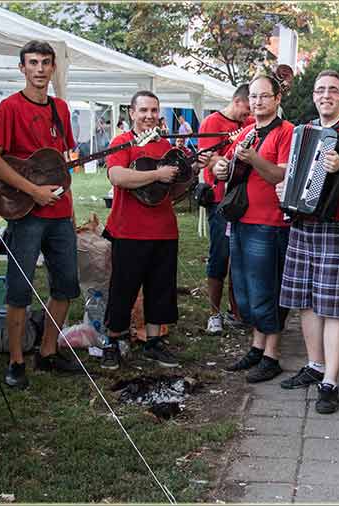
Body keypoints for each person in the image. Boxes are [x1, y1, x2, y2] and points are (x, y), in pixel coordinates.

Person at [0, 40, 82, 388]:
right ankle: (16, 361)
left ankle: (48, 352)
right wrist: (32, 191)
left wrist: (69, 206)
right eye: (33, 62)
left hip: (60, 212)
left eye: (46, 63)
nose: (40, 69)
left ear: (54, 68)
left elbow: (62, 162)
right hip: (26, 213)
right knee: (19, 288)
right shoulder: (9, 107)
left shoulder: (61, 109)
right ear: (22, 68)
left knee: (66, 285)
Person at [277, 70, 339, 414]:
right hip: (303, 222)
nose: (325, 95)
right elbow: (295, 173)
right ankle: (314, 365)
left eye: (333, 90)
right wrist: (285, 188)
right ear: (314, 96)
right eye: (320, 90)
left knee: (333, 305)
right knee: (306, 300)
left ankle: (330, 382)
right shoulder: (305, 130)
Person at [101, 90, 212, 370]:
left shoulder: (166, 147)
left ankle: (154, 342)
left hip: (163, 230)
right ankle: (113, 341)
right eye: (143, 110)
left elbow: (174, 190)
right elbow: (117, 176)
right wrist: (156, 174)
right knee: (123, 288)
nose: (149, 116)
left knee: (160, 289)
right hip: (128, 230)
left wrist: (191, 171)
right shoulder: (122, 142)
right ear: (132, 113)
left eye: (153, 110)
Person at [212, 75, 295, 383]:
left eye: (264, 96)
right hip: (241, 220)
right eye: (254, 97)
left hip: (270, 223)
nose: (257, 102)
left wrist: (254, 158)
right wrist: (220, 167)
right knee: (245, 292)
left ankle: (272, 355)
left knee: (266, 291)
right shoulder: (247, 132)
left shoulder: (286, 132)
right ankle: (257, 348)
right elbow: (225, 166)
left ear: (277, 99)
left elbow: (279, 176)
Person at [198, 84, 252, 336]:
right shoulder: (212, 122)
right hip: (220, 199)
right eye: (247, 108)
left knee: (240, 258)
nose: (249, 114)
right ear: (237, 101)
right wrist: (222, 161)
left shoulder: (250, 122)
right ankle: (214, 313)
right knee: (219, 256)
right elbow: (207, 157)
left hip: (244, 199)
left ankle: (236, 310)